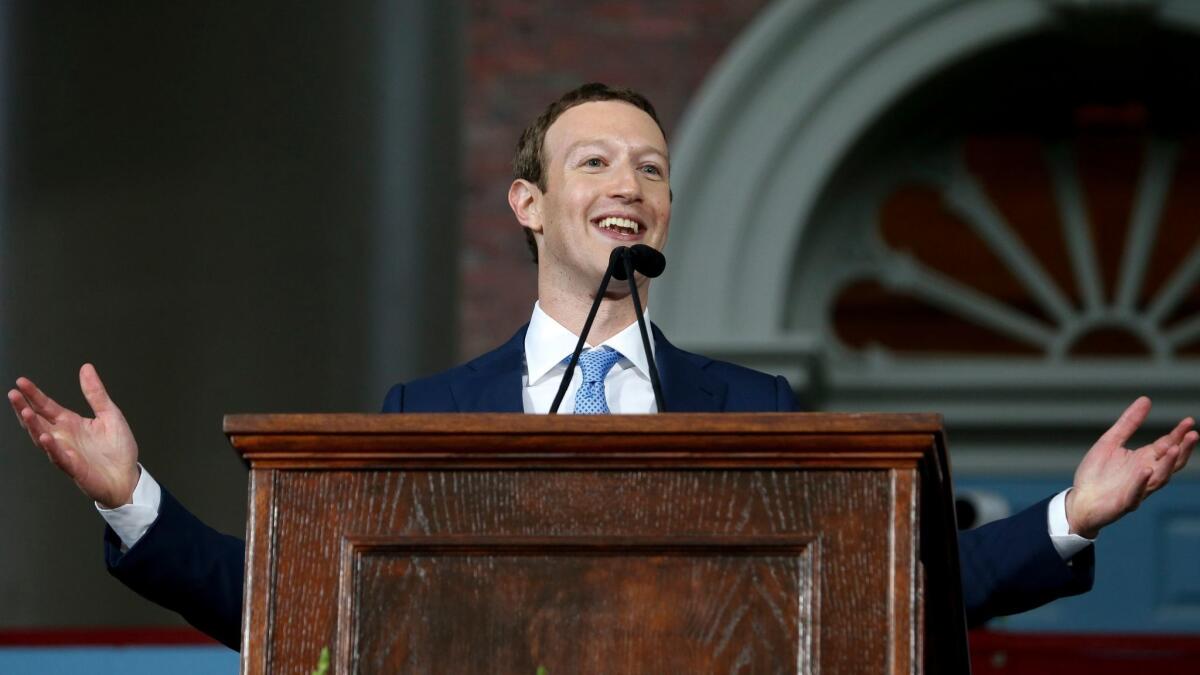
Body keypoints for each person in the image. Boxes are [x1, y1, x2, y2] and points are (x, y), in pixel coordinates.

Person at [9, 83, 1196, 652]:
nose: (625, 184)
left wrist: (1069, 519)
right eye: (593, 164)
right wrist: (132, 499)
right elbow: (295, 608)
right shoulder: (426, 416)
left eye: (649, 167)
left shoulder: (754, 408)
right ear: (531, 203)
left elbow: (903, 591)